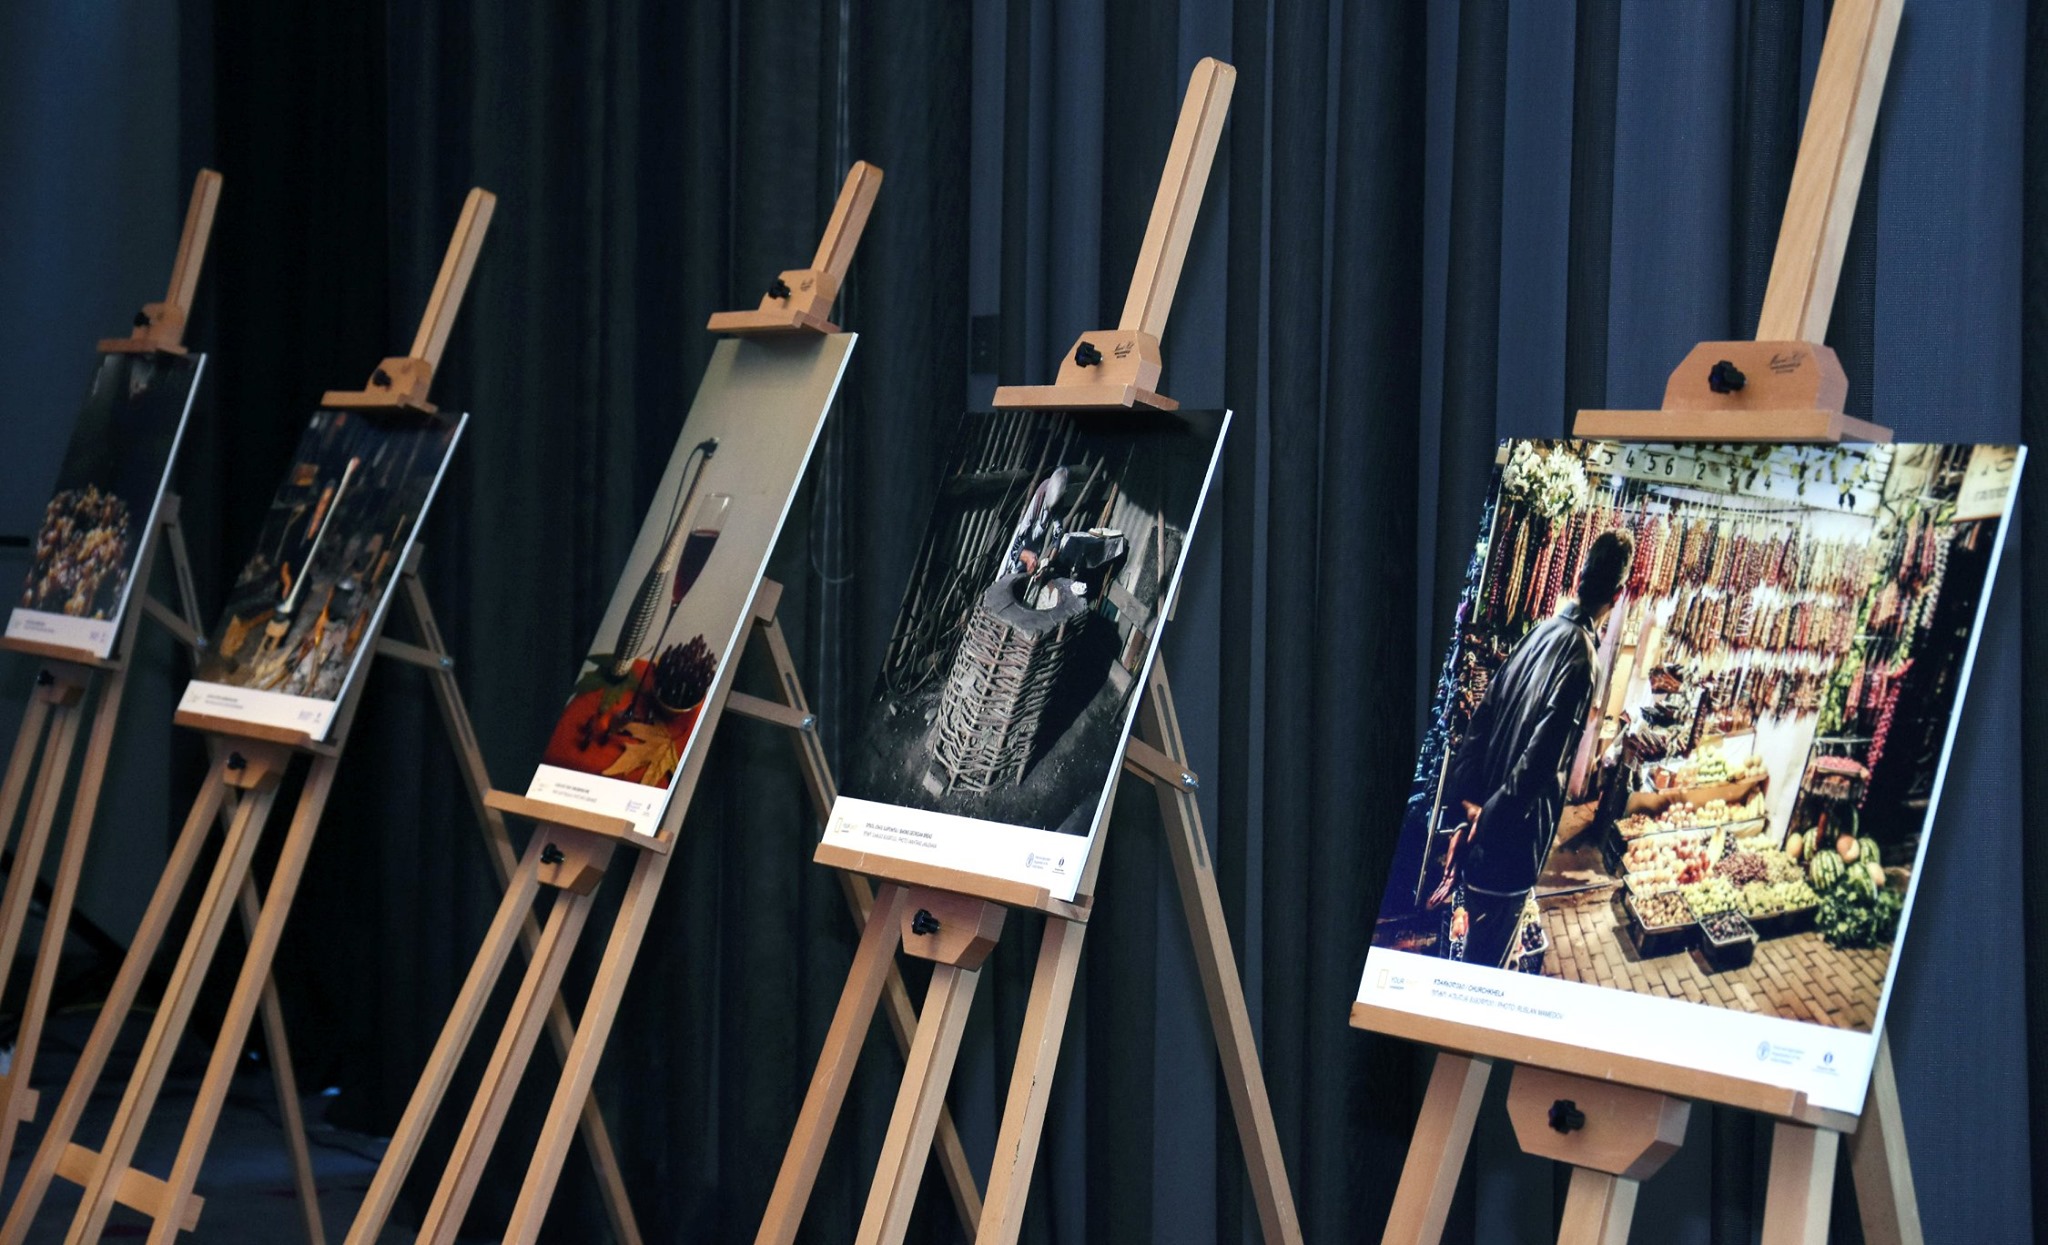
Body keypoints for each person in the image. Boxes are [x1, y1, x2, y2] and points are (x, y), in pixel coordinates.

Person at [1430, 527, 1636, 968]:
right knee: (1480, 974)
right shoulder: (1583, 659)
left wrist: (1468, 806)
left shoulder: (1540, 633)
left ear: (1578, 577)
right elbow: (1538, 765)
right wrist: (1483, 822)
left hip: (1483, 827)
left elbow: (1481, 719)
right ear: (1618, 596)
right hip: (1507, 847)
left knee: (1466, 956)